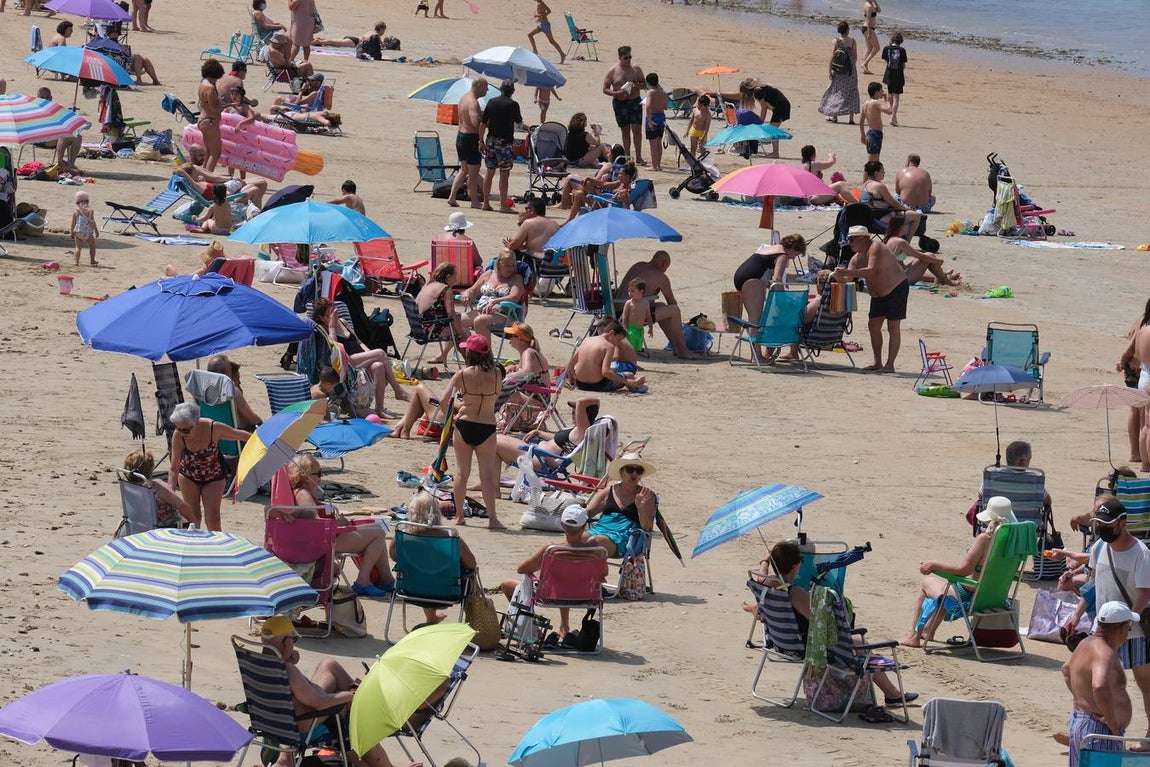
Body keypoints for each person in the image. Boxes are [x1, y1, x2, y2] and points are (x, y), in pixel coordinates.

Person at [752, 540, 917, 711]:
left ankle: (892, 695)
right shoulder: (794, 593)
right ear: (795, 566)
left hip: (780, 643)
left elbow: (760, 575)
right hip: (805, 647)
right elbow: (820, 622)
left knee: (857, 644)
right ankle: (893, 695)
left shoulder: (765, 585)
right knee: (862, 645)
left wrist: (765, 561)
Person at [258, 615, 421, 767]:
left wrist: (288, 657)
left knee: (328, 665)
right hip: (306, 721)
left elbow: (300, 694)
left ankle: (358, 700)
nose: (294, 644)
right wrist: (349, 695)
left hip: (277, 721)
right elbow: (320, 703)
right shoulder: (287, 670)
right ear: (285, 642)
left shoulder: (258, 664)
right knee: (352, 721)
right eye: (293, 639)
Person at [1075, 498, 1150, 743]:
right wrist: (1077, 613)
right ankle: (1092, 726)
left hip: (1134, 631)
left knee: (1146, 685)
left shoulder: (1141, 553)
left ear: (1122, 523)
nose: (1102, 528)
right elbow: (1094, 584)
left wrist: (1129, 622)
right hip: (1103, 629)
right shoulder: (1099, 546)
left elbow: (1143, 594)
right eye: (1098, 523)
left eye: (1106, 524)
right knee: (1094, 680)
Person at [899, 496, 1017, 648]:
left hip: (970, 598)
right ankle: (928, 630)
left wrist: (934, 564)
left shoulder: (985, 539)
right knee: (946, 587)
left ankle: (913, 636)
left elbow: (963, 570)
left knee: (928, 584)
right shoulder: (1015, 541)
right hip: (997, 597)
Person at [280, 454, 396, 598]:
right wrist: (337, 523)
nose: (321, 478)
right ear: (305, 475)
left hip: (319, 540)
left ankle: (386, 579)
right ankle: (363, 581)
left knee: (376, 530)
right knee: (378, 534)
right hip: (322, 543)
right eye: (318, 474)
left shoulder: (301, 493)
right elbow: (317, 525)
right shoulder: (303, 495)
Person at [499, 505, 598, 639]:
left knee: (507, 584)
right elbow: (603, 572)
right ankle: (564, 626)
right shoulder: (595, 551)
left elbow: (521, 569)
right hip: (585, 597)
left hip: (550, 596)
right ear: (584, 526)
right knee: (567, 582)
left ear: (562, 525)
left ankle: (535, 629)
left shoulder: (553, 549)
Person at [443, 335, 506, 529]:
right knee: (486, 476)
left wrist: (463, 406)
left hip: (465, 425)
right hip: (487, 426)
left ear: (469, 353)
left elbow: (445, 401)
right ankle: (493, 519)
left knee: (462, 473)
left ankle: (460, 516)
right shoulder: (496, 373)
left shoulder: (462, 374)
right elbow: (493, 400)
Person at [390, 491, 478, 625]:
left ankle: (431, 619)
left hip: (411, 588)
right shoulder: (451, 538)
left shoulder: (402, 535)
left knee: (423, 570)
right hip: (447, 591)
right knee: (467, 575)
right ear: (436, 512)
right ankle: (473, 621)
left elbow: (394, 557)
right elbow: (471, 564)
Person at [1064, 601, 1135, 766]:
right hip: (1099, 730)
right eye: (1129, 627)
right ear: (1122, 628)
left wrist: (1082, 699)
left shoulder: (1084, 644)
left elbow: (1066, 670)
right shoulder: (1104, 652)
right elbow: (1099, 685)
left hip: (1081, 723)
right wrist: (1110, 720)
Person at [313, 297, 409, 419]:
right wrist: (331, 326)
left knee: (378, 366)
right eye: (329, 315)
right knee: (380, 352)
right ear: (321, 318)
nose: (333, 316)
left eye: (334, 312)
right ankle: (398, 391)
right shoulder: (325, 329)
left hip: (360, 358)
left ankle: (379, 409)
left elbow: (359, 342)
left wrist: (370, 354)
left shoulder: (343, 322)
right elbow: (335, 351)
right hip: (347, 361)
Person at [834, 225, 907, 372]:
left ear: (864, 238)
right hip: (878, 295)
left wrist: (848, 272)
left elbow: (871, 270)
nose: (850, 243)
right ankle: (877, 362)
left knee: (893, 327)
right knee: (873, 325)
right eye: (849, 240)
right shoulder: (856, 258)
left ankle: (890, 364)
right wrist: (836, 276)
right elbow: (849, 276)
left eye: (853, 239)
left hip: (896, 288)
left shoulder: (876, 247)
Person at [168, 402, 249, 531]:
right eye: (179, 428)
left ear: (196, 423)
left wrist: (262, 442)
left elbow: (240, 435)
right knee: (192, 519)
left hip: (214, 476)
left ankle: (216, 548)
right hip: (188, 477)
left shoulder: (213, 428)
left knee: (213, 519)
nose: (183, 433)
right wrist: (170, 491)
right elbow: (174, 468)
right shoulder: (178, 436)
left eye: (186, 429)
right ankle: (194, 548)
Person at [615, 251, 700, 359]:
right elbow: (672, 302)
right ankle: (683, 350)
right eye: (666, 267)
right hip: (631, 315)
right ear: (664, 264)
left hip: (616, 310)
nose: (665, 270)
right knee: (674, 311)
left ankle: (676, 347)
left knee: (663, 308)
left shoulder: (639, 265)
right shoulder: (660, 277)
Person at [584, 452, 657, 558]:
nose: (634, 474)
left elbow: (648, 528)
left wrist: (641, 509)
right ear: (622, 472)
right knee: (579, 539)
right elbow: (589, 511)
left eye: (639, 471)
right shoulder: (608, 491)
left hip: (625, 538)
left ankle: (594, 572)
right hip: (599, 530)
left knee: (594, 542)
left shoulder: (646, 495)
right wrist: (577, 513)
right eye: (630, 470)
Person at [494, 397, 601, 468]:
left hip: (539, 459)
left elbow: (581, 402)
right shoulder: (578, 431)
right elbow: (558, 441)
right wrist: (539, 433)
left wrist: (597, 400)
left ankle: (492, 487)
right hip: (538, 454)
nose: (572, 414)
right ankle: (493, 486)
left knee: (494, 441)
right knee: (494, 445)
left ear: (583, 414)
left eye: (575, 412)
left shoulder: (582, 430)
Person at [733, 234, 808, 326]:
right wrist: (782, 300)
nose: (793, 258)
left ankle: (753, 338)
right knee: (756, 321)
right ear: (792, 248)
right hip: (752, 281)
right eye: (796, 254)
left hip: (740, 278)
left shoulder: (771, 248)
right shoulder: (783, 256)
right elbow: (777, 280)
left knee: (752, 318)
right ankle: (755, 339)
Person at [459, 249, 525, 341]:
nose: (510, 269)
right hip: (481, 311)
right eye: (507, 266)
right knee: (454, 321)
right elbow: (473, 290)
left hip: (504, 315)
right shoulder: (488, 274)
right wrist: (467, 294)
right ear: (499, 265)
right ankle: (445, 354)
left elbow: (514, 297)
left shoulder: (516, 279)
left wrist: (494, 301)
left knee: (480, 321)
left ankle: (486, 354)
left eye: (512, 265)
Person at [569, 319, 647, 393]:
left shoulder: (587, 340)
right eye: (618, 339)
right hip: (597, 385)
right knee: (629, 375)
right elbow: (605, 372)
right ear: (611, 333)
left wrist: (572, 382)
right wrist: (627, 381)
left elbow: (570, 365)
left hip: (580, 384)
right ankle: (634, 385)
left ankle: (634, 383)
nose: (617, 343)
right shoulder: (609, 346)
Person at [480, 80, 522, 215]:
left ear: (500, 89)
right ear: (513, 91)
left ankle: (486, 203)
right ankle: (503, 205)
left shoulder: (491, 102)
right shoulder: (513, 104)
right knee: (504, 174)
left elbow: (482, 123)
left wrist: (481, 141)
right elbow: (518, 121)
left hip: (491, 140)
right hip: (505, 143)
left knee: (489, 171)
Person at [884, 213, 959, 286]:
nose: (908, 226)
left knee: (928, 259)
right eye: (906, 224)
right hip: (899, 281)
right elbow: (920, 256)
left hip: (895, 276)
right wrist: (938, 261)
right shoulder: (900, 242)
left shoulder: (890, 240)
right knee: (929, 256)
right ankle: (947, 281)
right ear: (901, 227)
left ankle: (944, 277)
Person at [122, 449, 193, 528]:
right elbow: (182, 506)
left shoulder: (128, 487)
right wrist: (195, 524)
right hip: (165, 527)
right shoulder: (156, 486)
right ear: (151, 469)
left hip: (140, 527)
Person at [447, 78, 488, 209]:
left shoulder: (464, 98)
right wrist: (484, 120)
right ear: (479, 86)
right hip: (470, 138)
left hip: (460, 136)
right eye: (485, 87)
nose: (487, 89)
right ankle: (474, 200)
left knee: (463, 170)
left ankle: (452, 196)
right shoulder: (473, 103)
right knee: (473, 171)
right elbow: (475, 123)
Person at [602, 46, 646, 165]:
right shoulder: (613, 71)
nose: (628, 60)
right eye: (626, 58)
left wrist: (635, 85)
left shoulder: (636, 68)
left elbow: (644, 84)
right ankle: (627, 157)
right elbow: (605, 89)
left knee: (637, 130)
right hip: (620, 103)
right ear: (620, 58)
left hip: (635, 101)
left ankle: (639, 156)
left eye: (630, 57)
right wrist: (616, 94)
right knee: (625, 131)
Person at [1119, 301, 1150, 467]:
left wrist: (1123, 363)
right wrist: (1124, 362)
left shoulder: (1140, 321)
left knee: (1135, 411)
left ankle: (1135, 453)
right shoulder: (1145, 322)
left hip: (1135, 369)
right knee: (1145, 417)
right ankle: (1139, 454)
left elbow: (1130, 346)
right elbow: (1130, 348)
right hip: (1140, 370)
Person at [859, 160, 921, 236]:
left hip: (868, 219)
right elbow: (894, 203)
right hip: (880, 218)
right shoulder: (879, 186)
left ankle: (896, 238)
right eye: (882, 171)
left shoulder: (863, 186)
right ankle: (906, 243)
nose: (884, 173)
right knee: (916, 216)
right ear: (876, 173)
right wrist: (906, 209)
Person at [206, 354, 263, 430]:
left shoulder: (202, 390)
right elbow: (251, 418)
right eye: (230, 369)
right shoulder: (232, 390)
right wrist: (262, 423)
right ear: (225, 371)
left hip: (212, 435)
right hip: (235, 436)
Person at [818, 22, 860, 124]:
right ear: (847, 30)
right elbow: (855, 57)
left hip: (839, 70)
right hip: (850, 70)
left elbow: (832, 56)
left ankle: (835, 116)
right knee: (852, 91)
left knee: (837, 91)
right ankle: (851, 119)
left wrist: (830, 70)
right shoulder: (853, 41)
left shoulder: (836, 41)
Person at [35, 87, 82, 174]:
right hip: (40, 138)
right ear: (37, 98)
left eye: (47, 97)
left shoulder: (54, 109)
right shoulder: (34, 110)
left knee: (78, 136)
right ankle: (60, 163)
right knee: (63, 137)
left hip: (53, 136)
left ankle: (71, 164)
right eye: (42, 97)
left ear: (51, 98)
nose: (45, 99)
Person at [197, 59, 225, 172]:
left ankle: (203, 174)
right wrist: (227, 105)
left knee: (208, 151)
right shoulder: (211, 88)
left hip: (203, 120)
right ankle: (208, 177)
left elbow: (206, 104)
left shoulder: (202, 84)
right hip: (210, 121)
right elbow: (214, 109)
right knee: (216, 153)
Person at [752, 80, 790, 158]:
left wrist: (761, 122)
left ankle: (775, 153)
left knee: (772, 130)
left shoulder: (757, 92)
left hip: (781, 107)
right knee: (772, 129)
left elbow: (764, 108)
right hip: (782, 106)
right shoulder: (762, 88)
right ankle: (773, 148)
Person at [859, 82, 891, 162]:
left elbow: (861, 121)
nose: (882, 92)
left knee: (872, 155)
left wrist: (862, 134)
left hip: (869, 132)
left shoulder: (865, 103)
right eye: (881, 90)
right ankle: (869, 173)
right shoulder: (875, 103)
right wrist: (888, 101)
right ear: (876, 92)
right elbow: (889, 111)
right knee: (874, 158)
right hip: (875, 133)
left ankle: (870, 172)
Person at [620, 278, 654, 353]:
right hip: (631, 329)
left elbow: (648, 317)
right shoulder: (629, 303)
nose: (630, 293)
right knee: (629, 349)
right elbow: (624, 316)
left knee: (637, 348)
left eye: (632, 291)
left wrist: (650, 328)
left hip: (640, 330)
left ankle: (633, 359)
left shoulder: (645, 303)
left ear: (641, 291)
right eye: (629, 291)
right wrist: (625, 328)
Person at [881, 32, 907, 126]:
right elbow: (903, 65)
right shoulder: (902, 50)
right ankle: (893, 117)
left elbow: (886, 60)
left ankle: (893, 117)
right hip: (898, 75)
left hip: (888, 74)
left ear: (892, 39)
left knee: (890, 94)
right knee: (896, 97)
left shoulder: (886, 48)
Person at [644, 72, 667, 171]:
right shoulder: (663, 93)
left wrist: (649, 120)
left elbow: (648, 106)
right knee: (658, 141)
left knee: (653, 143)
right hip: (661, 117)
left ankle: (654, 165)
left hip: (653, 116)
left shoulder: (650, 92)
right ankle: (658, 165)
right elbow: (666, 107)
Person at [70, 190, 98, 267]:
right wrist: (96, 231)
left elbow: (73, 223)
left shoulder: (76, 212)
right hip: (88, 232)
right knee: (92, 246)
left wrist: (72, 232)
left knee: (78, 247)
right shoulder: (90, 210)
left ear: (77, 202)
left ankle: (76, 262)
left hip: (78, 232)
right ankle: (92, 260)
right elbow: (92, 221)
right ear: (87, 201)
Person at [860, 0, 881, 74]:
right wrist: (869, 32)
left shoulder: (870, 4)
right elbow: (868, 19)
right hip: (868, 28)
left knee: (869, 48)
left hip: (866, 28)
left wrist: (874, 2)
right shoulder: (869, 6)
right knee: (877, 48)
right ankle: (864, 64)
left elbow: (879, 10)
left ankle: (865, 69)